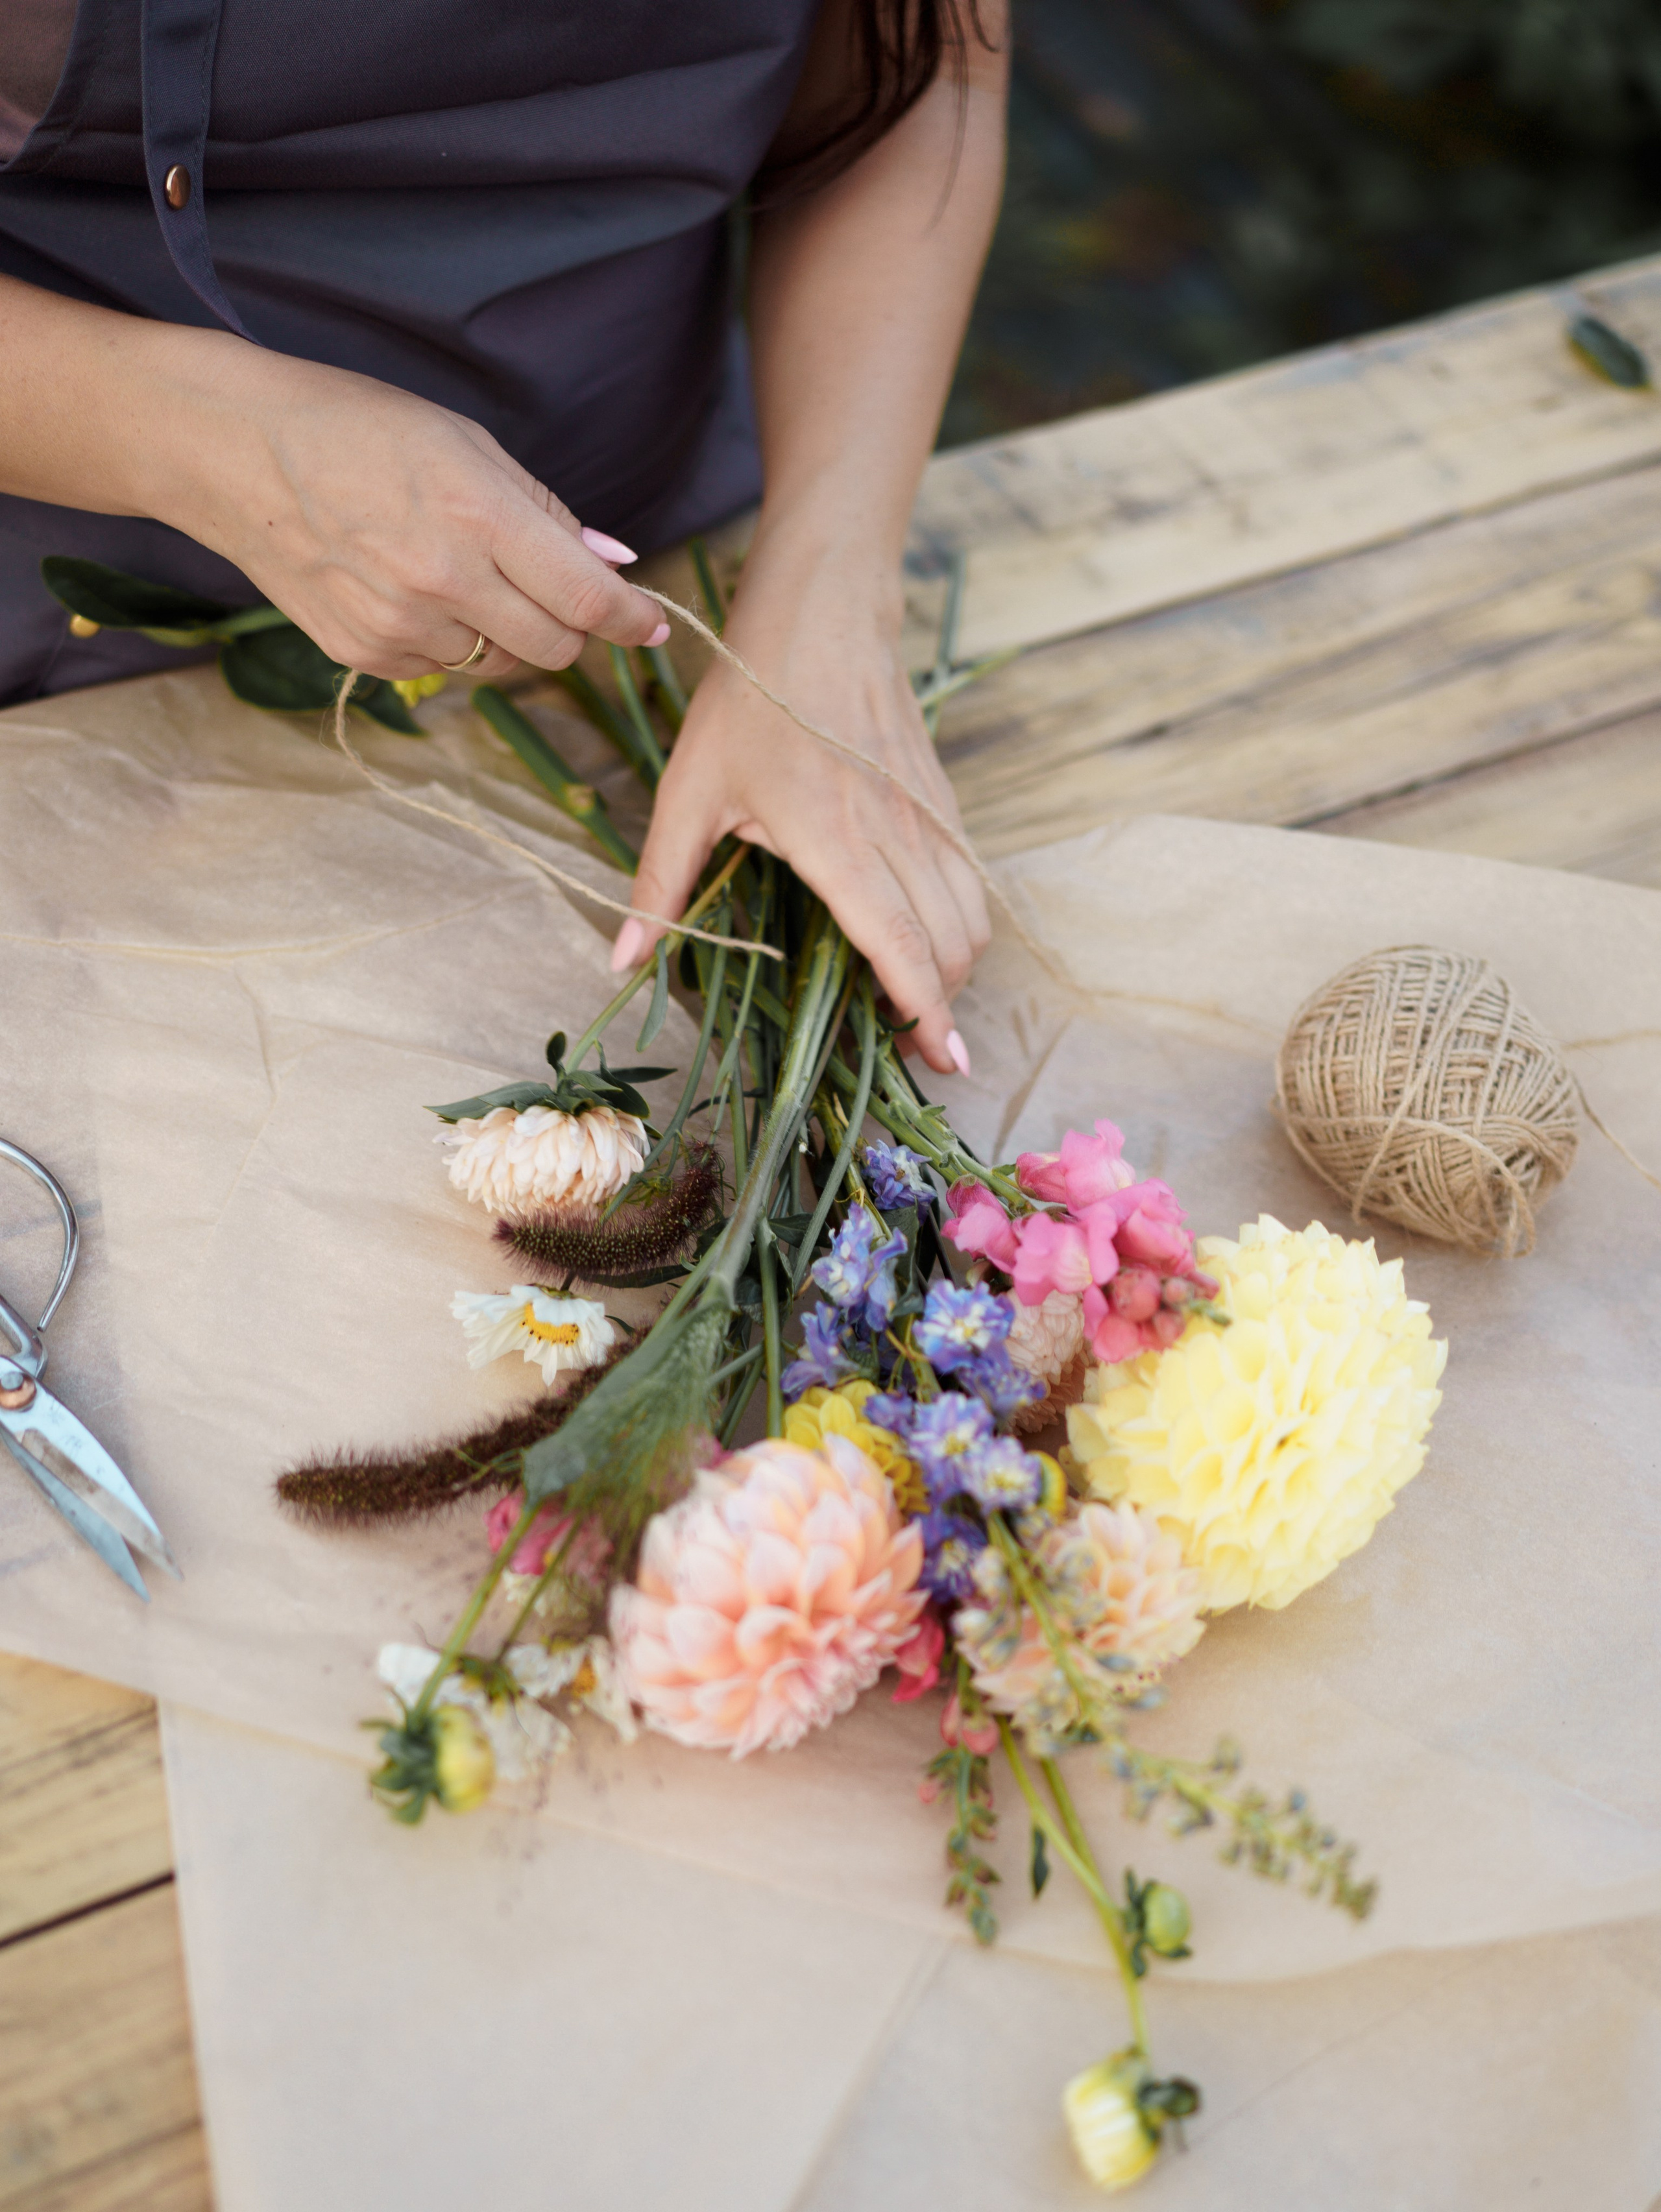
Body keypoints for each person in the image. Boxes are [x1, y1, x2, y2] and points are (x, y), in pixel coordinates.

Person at [0, 1, 1006, 1076]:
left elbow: (936, 67)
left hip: (667, 566)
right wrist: (208, 440)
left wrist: (828, 596)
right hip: (63, 651)